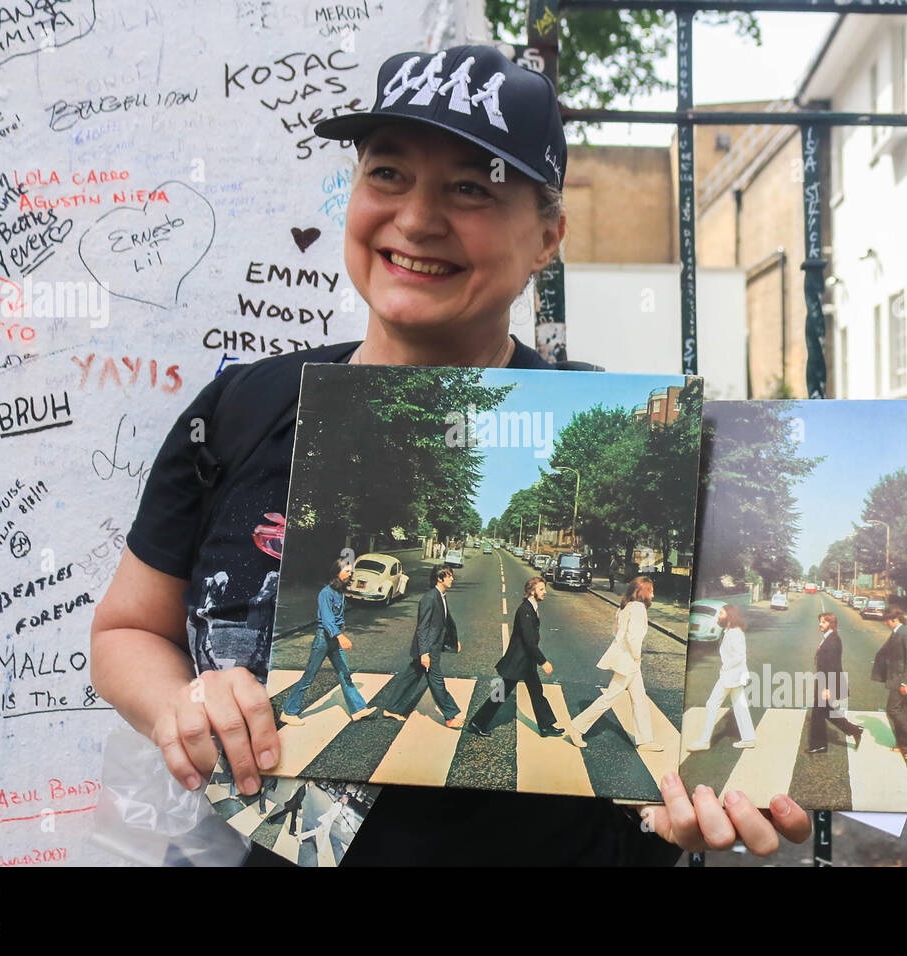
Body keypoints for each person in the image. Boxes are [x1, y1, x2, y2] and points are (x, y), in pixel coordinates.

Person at [90, 43, 808, 864]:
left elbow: (701, 694)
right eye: (388, 173)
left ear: (548, 237)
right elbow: (124, 631)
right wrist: (181, 702)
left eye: (471, 187)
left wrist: (695, 794)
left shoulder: (630, 432)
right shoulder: (243, 409)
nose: (417, 219)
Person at [279, 559, 378, 727]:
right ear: (336, 573)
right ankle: (288, 712)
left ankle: (358, 709)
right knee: (309, 676)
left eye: (350, 571)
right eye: (347, 571)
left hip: (333, 638)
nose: (350, 574)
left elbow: (336, 615)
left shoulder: (339, 592)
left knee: (344, 673)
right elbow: (326, 619)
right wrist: (340, 635)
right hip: (324, 639)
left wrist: (342, 625)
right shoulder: (326, 592)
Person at [569, 576, 663, 752]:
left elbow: (616, 632)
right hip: (629, 662)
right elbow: (632, 637)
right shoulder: (638, 608)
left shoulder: (625, 607)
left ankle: (645, 740)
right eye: (650, 591)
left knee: (640, 699)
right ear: (641, 592)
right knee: (610, 697)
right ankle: (577, 727)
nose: (653, 595)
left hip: (627, 660)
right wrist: (636, 656)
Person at [469, 576, 561, 737]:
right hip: (519, 661)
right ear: (531, 591)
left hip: (526, 661)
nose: (545, 592)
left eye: (544, 589)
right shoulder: (525, 610)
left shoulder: (531, 608)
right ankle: (477, 723)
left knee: (536, 692)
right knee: (502, 693)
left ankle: (546, 726)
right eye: (541, 589)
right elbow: (529, 641)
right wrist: (543, 661)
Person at [379, 565, 463, 727]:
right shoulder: (430, 598)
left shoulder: (440, 596)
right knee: (437, 681)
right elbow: (423, 627)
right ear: (439, 578)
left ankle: (391, 708)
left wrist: (453, 641)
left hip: (434, 646)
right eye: (449, 576)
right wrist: (424, 653)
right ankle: (450, 715)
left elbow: (444, 623)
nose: (452, 578)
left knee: (410, 678)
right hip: (429, 648)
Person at [687, 604, 756, 751]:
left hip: (731, 676)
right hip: (733, 675)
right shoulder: (730, 631)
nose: (719, 615)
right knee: (740, 705)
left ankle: (704, 741)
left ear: (730, 616)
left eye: (722, 613)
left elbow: (739, 656)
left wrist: (725, 667)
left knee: (712, 704)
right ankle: (749, 738)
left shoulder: (735, 633)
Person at [805, 612, 863, 754]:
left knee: (818, 713)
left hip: (827, 682)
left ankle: (819, 745)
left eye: (824, 622)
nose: (820, 624)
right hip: (824, 680)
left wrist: (826, 688)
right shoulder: (830, 638)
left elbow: (832, 666)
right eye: (820, 621)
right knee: (825, 711)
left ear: (831, 624)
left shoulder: (832, 640)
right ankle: (854, 730)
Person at [873, 605, 907, 760]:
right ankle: (904, 744)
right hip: (895, 677)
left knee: (892, 709)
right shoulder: (896, 633)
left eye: (887, 621)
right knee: (902, 710)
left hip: (900, 679)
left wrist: (905, 683)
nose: (885, 623)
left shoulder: (905, 634)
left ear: (895, 619)